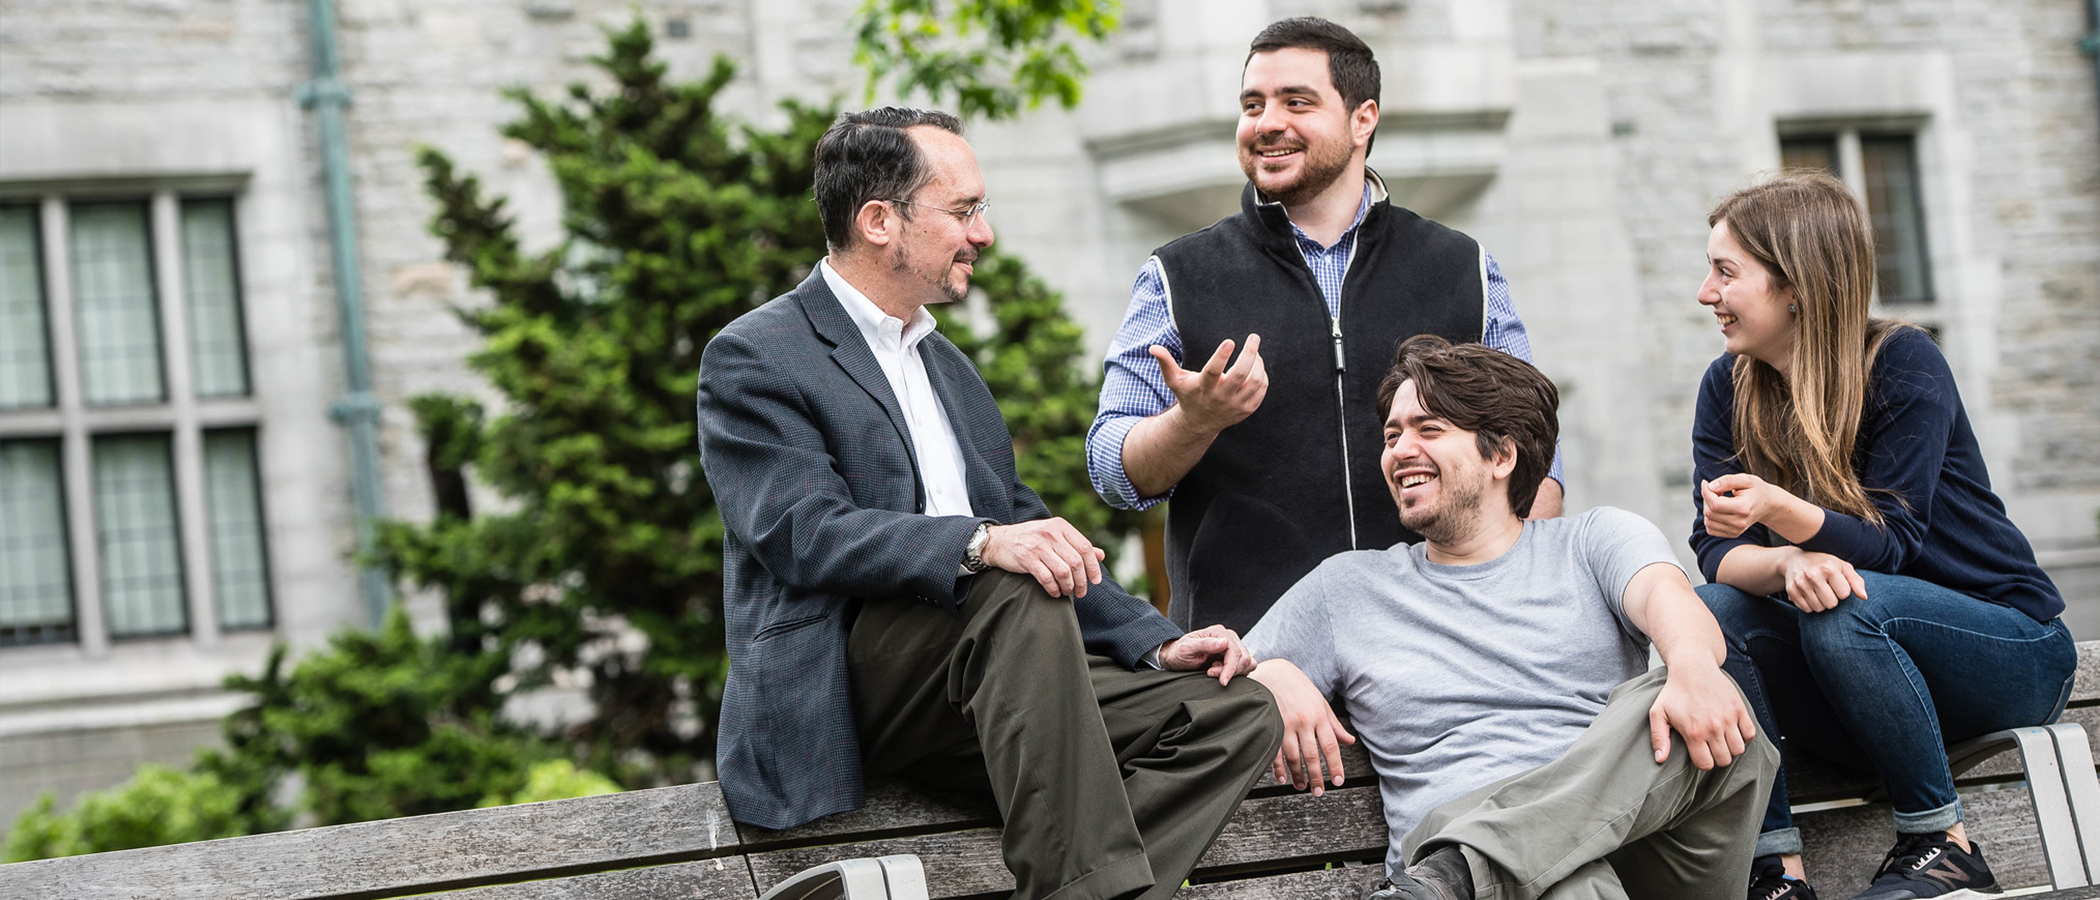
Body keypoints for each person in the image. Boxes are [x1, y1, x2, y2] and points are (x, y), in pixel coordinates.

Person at [696, 108, 1282, 900]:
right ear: (879, 221)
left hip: (996, 677)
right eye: (964, 211)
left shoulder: (947, 367)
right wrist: (977, 545)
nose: (985, 234)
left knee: (1231, 714)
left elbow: (1028, 524)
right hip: (844, 686)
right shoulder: (757, 355)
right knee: (1004, 581)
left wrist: (1151, 644)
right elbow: (801, 532)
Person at [1245, 334, 1776, 900]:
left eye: (1429, 429)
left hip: (1632, 855)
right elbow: (1202, 686)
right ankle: (1476, 867)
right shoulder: (1345, 589)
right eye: (1392, 435)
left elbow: (1671, 602)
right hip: (1496, 857)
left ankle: (1464, 869)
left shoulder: (1594, 542)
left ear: (1502, 455)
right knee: (1572, 886)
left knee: (1704, 700)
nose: (1400, 450)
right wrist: (1266, 675)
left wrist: (1693, 666)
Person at [1086, 16, 1566, 638]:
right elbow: (1113, 472)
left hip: (1444, 639)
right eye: (1252, 104)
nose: (1267, 123)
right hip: (1251, 656)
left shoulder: (1463, 267)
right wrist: (1193, 421)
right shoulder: (1175, 276)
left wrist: (1519, 600)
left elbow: (1537, 452)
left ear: (1363, 118)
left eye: (1297, 102)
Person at [1690, 172, 2075, 900]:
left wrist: (1780, 510)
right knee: (1711, 610)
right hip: (1854, 686)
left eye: (1725, 272)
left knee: (1848, 603)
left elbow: (1890, 542)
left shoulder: (1902, 361)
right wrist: (1786, 565)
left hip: (2007, 656)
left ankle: (1943, 842)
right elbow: (1713, 549)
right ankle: (1776, 870)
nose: (1705, 293)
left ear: (1795, 282)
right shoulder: (1727, 387)